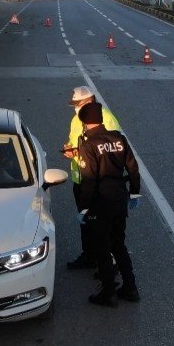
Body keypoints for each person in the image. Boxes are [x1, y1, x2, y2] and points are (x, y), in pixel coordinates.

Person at [76, 102, 140, 307]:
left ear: (85, 123)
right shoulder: (119, 139)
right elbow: (133, 168)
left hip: (101, 202)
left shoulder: (89, 145)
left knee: (102, 248)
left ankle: (108, 292)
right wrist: (135, 193)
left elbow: (89, 179)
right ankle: (130, 287)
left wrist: (84, 207)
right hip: (120, 199)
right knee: (119, 244)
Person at [61, 86, 121, 270]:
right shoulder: (76, 119)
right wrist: (69, 149)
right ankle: (89, 256)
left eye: (77, 104)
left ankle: (109, 264)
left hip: (99, 182)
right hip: (81, 179)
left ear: (89, 101)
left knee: (103, 226)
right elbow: (74, 142)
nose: (75, 108)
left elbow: (115, 149)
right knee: (86, 222)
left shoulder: (106, 119)